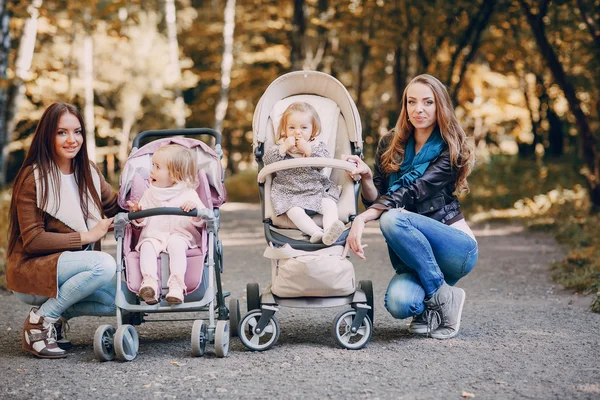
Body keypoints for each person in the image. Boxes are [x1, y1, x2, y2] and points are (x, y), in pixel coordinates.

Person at [343, 74, 478, 340]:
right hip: (415, 250)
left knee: (392, 218)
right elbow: (377, 198)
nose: (419, 109)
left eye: (428, 102)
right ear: (404, 106)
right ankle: (436, 302)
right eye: (412, 102)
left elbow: (412, 192)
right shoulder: (390, 144)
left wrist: (362, 219)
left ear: (440, 106)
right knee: (400, 303)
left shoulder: (450, 147)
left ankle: (439, 295)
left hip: (454, 247)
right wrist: (367, 178)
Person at [7, 102, 120, 358]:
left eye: (77, 131)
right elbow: (33, 241)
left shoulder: (88, 171)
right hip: (34, 270)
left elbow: (115, 206)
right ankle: (40, 321)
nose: (72, 140)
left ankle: (55, 314)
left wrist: (156, 197)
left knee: (123, 297)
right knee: (103, 265)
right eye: (62, 132)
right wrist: (88, 236)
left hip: (72, 270)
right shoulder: (32, 178)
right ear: (47, 135)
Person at [127, 144, 205, 305]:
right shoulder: (149, 193)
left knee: (176, 245)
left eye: (157, 167)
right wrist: (138, 213)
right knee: (147, 246)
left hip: (180, 235)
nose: (151, 171)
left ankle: (176, 285)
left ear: (175, 175)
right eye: (152, 166)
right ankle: (149, 283)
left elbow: (203, 218)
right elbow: (141, 221)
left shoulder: (188, 193)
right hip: (154, 235)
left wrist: (194, 207)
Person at [263, 102, 345, 245]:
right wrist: (283, 148)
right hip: (289, 192)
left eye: (304, 128)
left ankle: (330, 232)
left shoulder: (316, 146)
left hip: (314, 189)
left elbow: (325, 162)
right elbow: (268, 160)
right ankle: (316, 233)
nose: (297, 132)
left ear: (313, 130)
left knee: (329, 205)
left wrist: (309, 151)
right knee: (294, 212)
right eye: (292, 127)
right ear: (285, 129)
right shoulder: (280, 145)